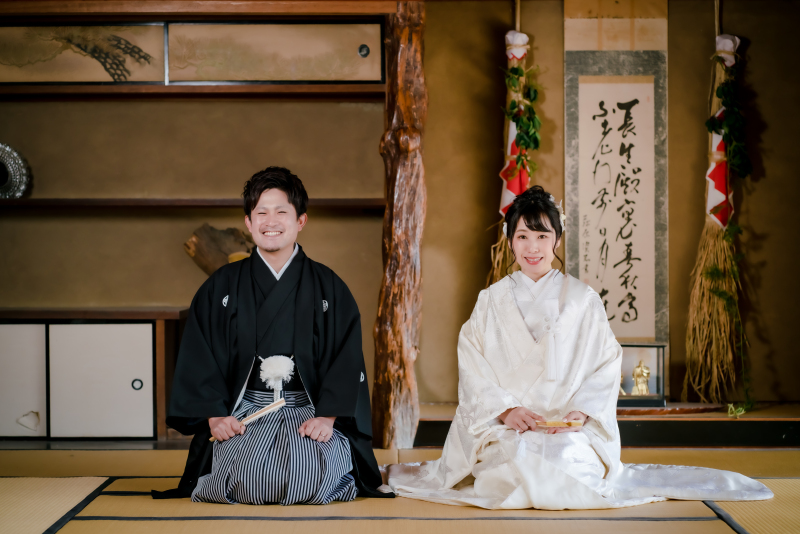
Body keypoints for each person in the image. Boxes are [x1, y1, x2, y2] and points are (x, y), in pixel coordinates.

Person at [387, 186, 772, 509]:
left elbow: (607, 361)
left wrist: (581, 412)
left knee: (568, 461)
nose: (533, 247)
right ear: (510, 240)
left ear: (557, 239)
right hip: (507, 427)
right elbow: (472, 364)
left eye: (542, 236)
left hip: (567, 427)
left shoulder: (582, 300)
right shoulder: (491, 300)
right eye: (523, 236)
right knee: (507, 467)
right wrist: (506, 410)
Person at [153, 167, 392, 504]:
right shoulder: (221, 287)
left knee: (310, 476)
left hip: (309, 411)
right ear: (249, 222)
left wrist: (327, 418)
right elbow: (199, 355)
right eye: (261, 213)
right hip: (244, 412)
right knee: (250, 477)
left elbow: (347, 358)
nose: (271, 221)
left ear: (300, 221)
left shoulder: (329, 287)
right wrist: (216, 417)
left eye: (281, 212)